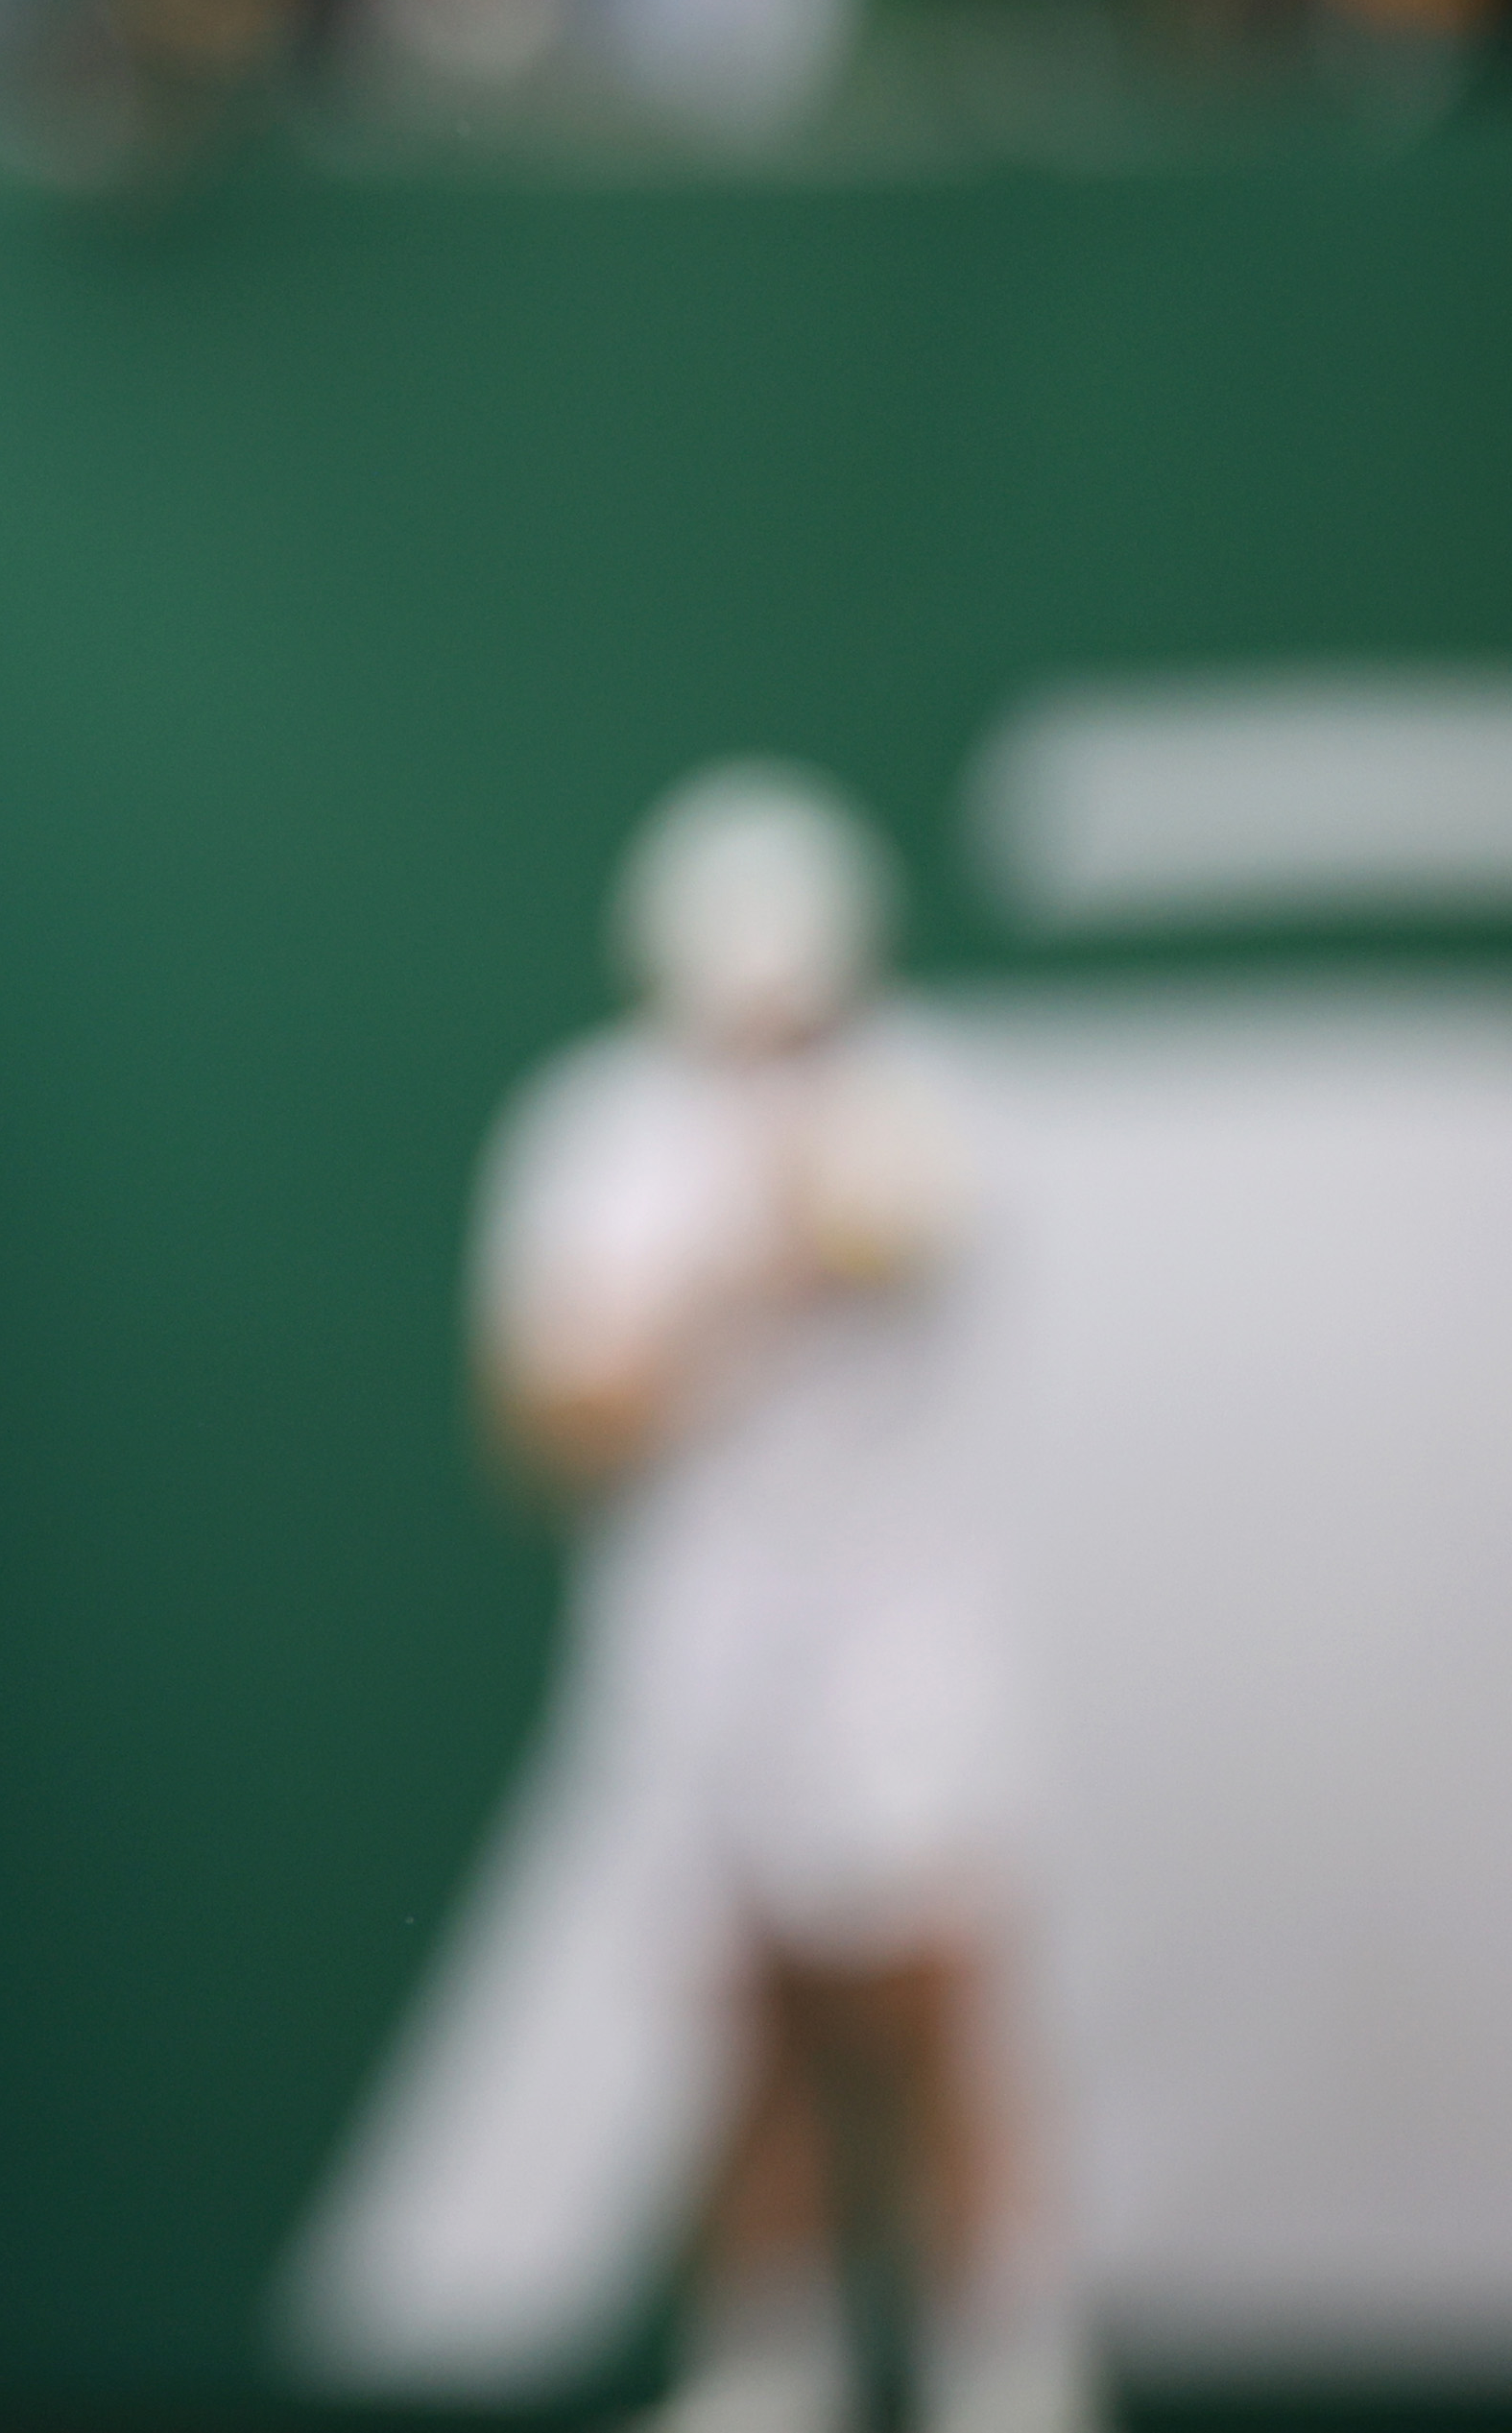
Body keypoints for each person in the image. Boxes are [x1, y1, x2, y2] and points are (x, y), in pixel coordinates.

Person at [480, 764, 1085, 2433]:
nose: (771, 1025)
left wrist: (780, 1237)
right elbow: (550, 1415)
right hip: (692, 1638)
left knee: (936, 1992)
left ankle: (1010, 2373)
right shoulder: (591, 1128)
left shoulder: (928, 1099)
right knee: (733, 2006)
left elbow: (902, 1238)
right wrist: (731, 1276)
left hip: (907, 1635)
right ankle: (769, 2372)